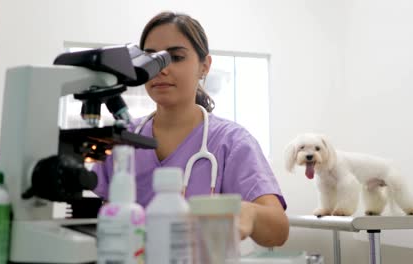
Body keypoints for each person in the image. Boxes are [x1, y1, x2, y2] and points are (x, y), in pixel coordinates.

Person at [92, 11, 289, 247]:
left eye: (175, 57)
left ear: (204, 66)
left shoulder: (231, 141)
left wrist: (250, 213)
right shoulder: (122, 139)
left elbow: (278, 230)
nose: (161, 69)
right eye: (151, 59)